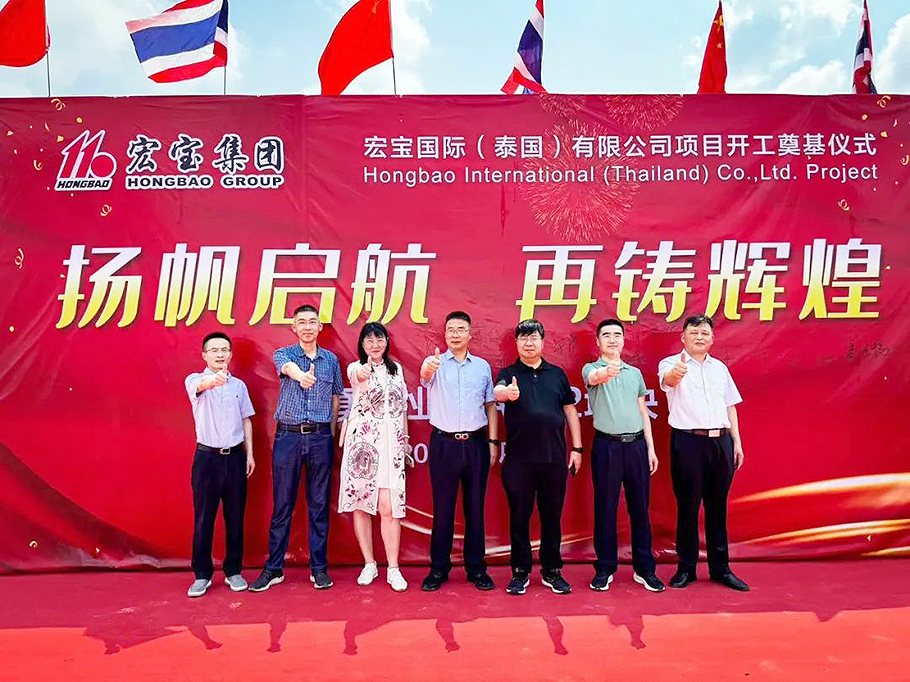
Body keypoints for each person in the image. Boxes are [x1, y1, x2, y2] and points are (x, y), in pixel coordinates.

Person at [250, 304, 344, 592]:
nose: (307, 327)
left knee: (319, 505)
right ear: (294, 328)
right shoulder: (285, 355)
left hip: (320, 438)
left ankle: (319, 568)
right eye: (301, 322)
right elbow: (286, 368)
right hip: (288, 437)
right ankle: (273, 568)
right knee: (283, 505)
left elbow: (335, 398)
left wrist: (330, 435)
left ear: (320, 327)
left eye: (312, 322)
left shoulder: (331, 360)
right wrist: (300, 375)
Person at [658, 314, 749, 592]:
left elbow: (730, 405)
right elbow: (668, 380)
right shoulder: (670, 364)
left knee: (717, 507)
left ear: (712, 338)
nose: (700, 337)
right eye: (694, 332)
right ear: (683, 337)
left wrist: (736, 442)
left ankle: (721, 569)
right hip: (688, 443)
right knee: (688, 507)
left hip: (720, 442)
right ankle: (686, 569)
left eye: (705, 333)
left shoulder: (720, 368)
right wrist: (678, 373)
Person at [494, 319, 583, 595]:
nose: (529, 343)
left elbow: (570, 411)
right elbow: (497, 392)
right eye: (523, 338)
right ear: (516, 343)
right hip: (519, 461)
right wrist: (507, 393)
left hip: (553, 459)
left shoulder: (556, 374)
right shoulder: (509, 373)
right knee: (519, 517)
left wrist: (577, 448)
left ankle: (551, 570)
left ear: (543, 342)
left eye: (533, 338)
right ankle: (520, 571)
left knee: (551, 517)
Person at [419, 311, 498, 592]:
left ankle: (476, 569)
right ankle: (438, 569)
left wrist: (493, 442)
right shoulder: (435, 363)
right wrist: (429, 368)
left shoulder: (482, 367)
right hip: (444, 444)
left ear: (470, 334)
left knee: (475, 508)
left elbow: (491, 405)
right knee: (443, 509)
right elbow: (425, 377)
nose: (455, 334)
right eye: (450, 329)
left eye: (460, 329)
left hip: (476, 443)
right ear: (445, 334)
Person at [583, 319, 663, 593]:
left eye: (617, 335)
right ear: (598, 341)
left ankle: (645, 569)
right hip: (607, 447)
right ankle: (605, 568)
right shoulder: (591, 369)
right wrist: (607, 371)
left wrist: (650, 448)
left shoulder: (634, 373)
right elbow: (595, 378)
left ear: (624, 339)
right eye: (606, 335)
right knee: (605, 508)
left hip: (636, 446)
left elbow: (643, 410)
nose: (612, 339)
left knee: (640, 508)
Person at [339, 322, 413, 592]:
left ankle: (393, 568)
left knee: (389, 507)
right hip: (363, 446)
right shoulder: (355, 367)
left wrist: (405, 441)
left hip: (392, 446)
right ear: (362, 344)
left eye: (379, 339)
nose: (375, 345)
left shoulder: (397, 370)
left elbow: (402, 409)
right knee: (361, 505)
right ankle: (369, 563)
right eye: (369, 340)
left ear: (386, 342)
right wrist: (364, 369)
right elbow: (358, 375)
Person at [184, 331, 256, 598]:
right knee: (204, 517)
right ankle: (202, 574)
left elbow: (247, 419)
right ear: (204, 355)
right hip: (207, 459)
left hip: (235, 458)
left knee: (235, 517)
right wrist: (215, 380)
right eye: (214, 350)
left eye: (224, 350)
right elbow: (204, 385)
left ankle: (233, 571)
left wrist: (250, 454)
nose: (220, 354)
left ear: (231, 354)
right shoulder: (195, 380)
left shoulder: (239, 387)